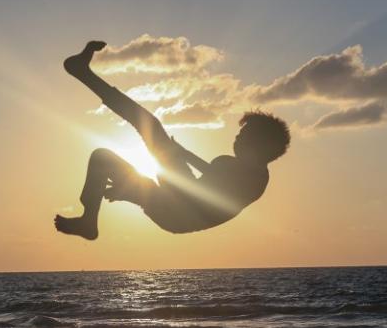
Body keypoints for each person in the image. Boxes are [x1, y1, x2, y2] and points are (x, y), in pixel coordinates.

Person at [54, 41, 290, 239]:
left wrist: (138, 188)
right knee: (102, 158)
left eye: (243, 136)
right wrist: (139, 189)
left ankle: (83, 73)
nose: (237, 139)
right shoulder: (236, 168)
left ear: (261, 145)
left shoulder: (253, 180)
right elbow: (205, 178)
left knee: (150, 126)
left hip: (180, 210)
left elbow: (205, 197)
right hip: (172, 208)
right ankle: (88, 221)